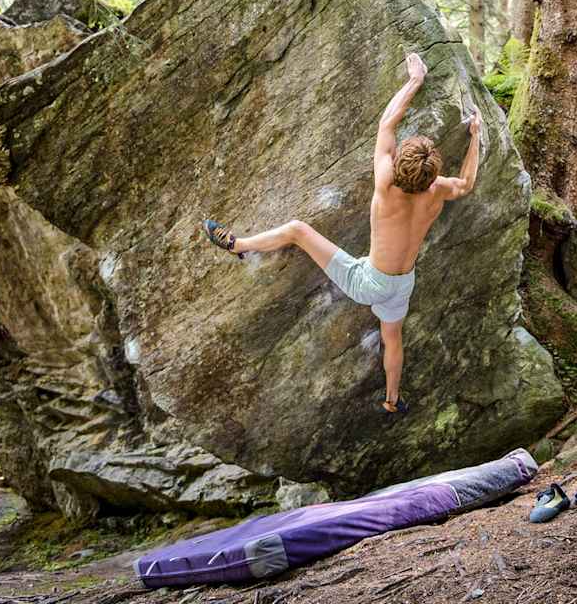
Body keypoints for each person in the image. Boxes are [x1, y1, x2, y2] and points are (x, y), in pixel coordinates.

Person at [204, 52, 482, 415]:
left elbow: (387, 126)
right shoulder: (439, 191)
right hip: (403, 283)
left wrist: (415, 80)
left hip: (368, 281)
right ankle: (391, 399)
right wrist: (475, 136)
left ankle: (239, 245)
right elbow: (467, 182)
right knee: (392, 337)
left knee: (298, 230)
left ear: (398, 164)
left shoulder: (385, 183)